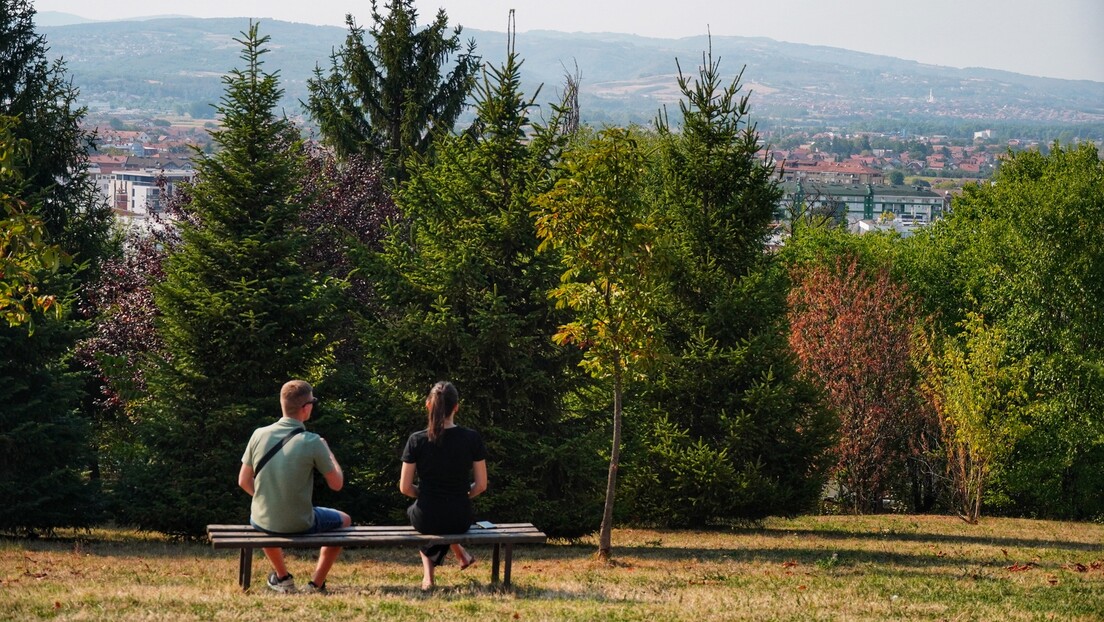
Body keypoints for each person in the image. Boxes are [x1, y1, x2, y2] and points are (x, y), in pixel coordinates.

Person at [238, 380, 351, 594]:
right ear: (306, 407)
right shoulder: (313, 441)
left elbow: (243, 481)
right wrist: (329, 453)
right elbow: (337, 484)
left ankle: (282, 577)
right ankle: (316, 583)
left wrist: (266, 498)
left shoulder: (259, 434)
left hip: (263, 519)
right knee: (344, 520)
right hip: (301, 522)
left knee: (262, 518)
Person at [399, 381, 488, 590]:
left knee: (421, 513)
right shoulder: (471, 438)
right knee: (442, 516)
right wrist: (462, 494)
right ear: (456, 407)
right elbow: (482, 485)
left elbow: (405, 487)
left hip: (427, 515)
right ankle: (461, 554)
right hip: (460, 517)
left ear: (428, 405)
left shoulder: (416, 440)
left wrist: (425, 495)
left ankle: (428, 578)